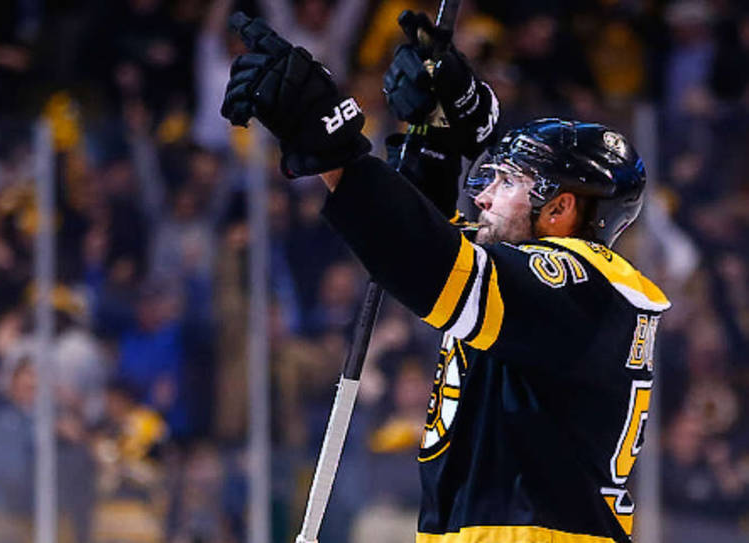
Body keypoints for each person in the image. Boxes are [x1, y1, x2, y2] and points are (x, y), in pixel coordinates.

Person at [221, 11, 670, 543]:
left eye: (506, 182)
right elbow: (419, 237)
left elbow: (429, 260)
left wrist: (329, 137)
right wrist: (441, 135)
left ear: (560, 208)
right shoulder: (541, 289)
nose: (482, 196)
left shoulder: (581, 280)